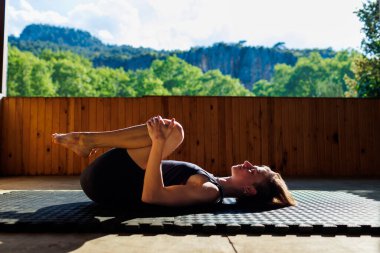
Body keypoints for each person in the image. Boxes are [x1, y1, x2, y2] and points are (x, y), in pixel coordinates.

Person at [52, 116, 296, 208]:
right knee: (172, 130)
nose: (246, 163)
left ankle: (88, 141)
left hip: (108, 184)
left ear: (249, 189)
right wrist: (156, 143)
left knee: (173, 132)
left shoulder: (210, 191)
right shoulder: (211, 181)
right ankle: (88, 141)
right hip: (106, 177)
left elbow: (152, 197)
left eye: (253, 170)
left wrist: (158, 144)